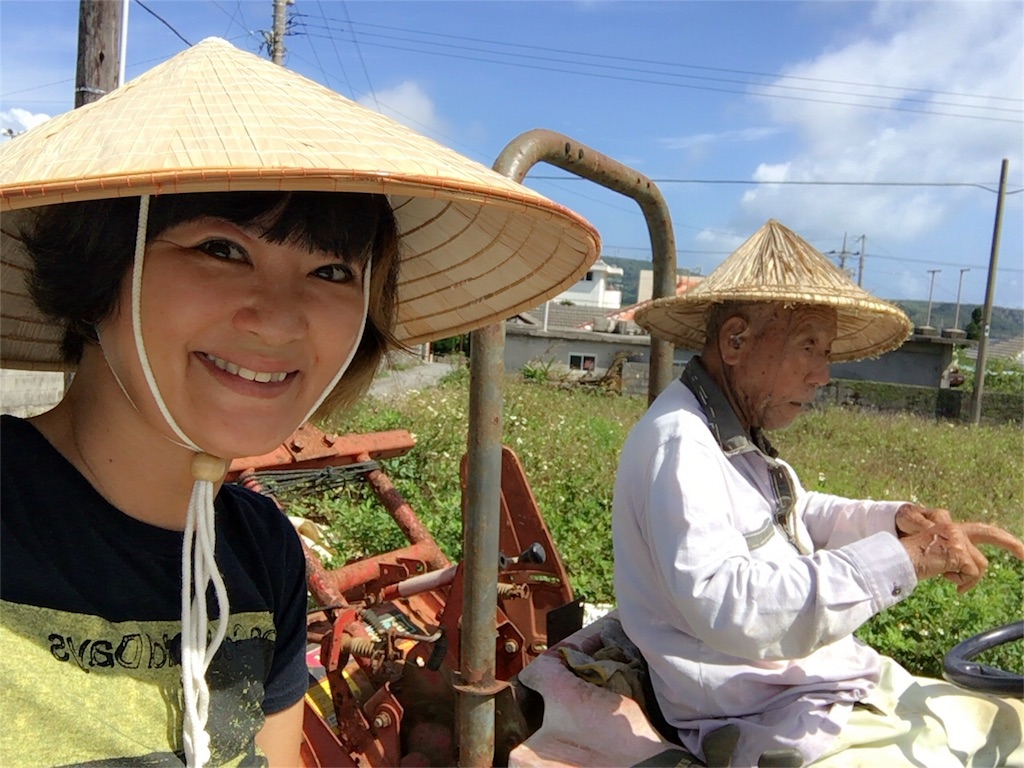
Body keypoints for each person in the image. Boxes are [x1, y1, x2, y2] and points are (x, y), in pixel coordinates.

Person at [0, 39, 599, 767]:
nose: (282, 320)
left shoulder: (260, 550)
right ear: (96, 271)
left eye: (331, 269)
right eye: (222, 249)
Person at [613, 219, 1024, 767]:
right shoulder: (681, 444)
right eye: (809, 346)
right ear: (736, 340)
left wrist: (898, 524)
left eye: (825, 351)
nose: (823, 373)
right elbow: (729, 604)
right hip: (763, 711)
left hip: (814, 684)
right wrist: (908, 559)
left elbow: (797, 514)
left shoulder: (730, 430)